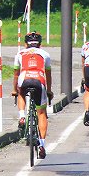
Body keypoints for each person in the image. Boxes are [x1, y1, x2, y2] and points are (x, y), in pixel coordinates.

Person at [13, 31, 54, 159]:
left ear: (26, 44)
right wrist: (49, 91)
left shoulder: (20, 54)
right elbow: (48, 75)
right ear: (40, 44)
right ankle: (42, 145)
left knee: (21, 93)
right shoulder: (45, 54)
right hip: (39, 80)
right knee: (41, 113)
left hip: (24, 78)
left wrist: (15, 90)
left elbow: (16, 74)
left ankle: (22, 116)